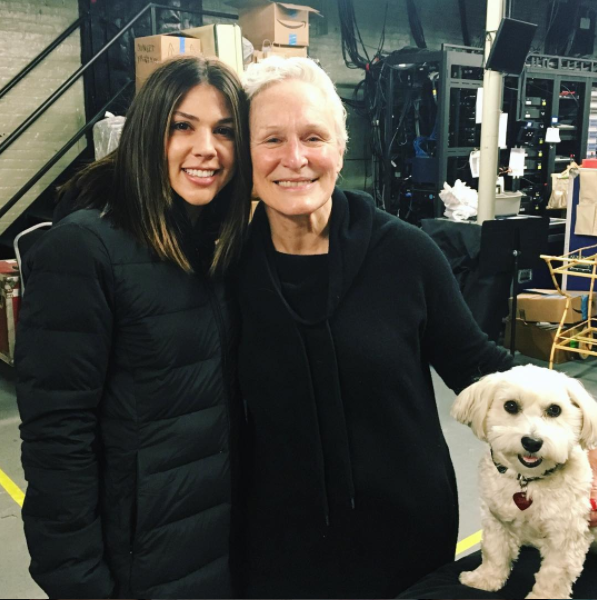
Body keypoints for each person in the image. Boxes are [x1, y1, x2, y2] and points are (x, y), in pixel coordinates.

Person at [235, 56, 597, 599]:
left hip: (402, 532)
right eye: (271, 140)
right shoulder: (226, 266)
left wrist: (584, 438)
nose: (295, 158)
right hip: (276, 539)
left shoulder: (405, 254)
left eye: (313, 136)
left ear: (340, 147)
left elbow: (478, 364)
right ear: (245, 154)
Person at [15, 55, 251, 599]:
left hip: (216, 544)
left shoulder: (218, 245)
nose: (207, 149)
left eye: (224, 131)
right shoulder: (84, 248)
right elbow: (57, 436)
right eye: (182, 127)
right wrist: (78, 581)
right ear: (147, 133)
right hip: (137, 561)